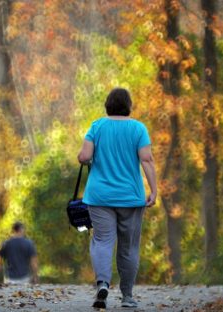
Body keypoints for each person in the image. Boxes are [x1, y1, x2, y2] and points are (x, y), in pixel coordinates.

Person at [77, 88, 157, 309]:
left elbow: (84, 156)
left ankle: (102, 283)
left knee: (102, 240)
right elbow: (147, 160)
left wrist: (82, 157)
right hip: (131, 197)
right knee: (129, 247)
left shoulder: (97, 126)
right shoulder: (138, 129)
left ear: (107, 105)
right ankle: (127, 296)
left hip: (100, 196)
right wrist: (154, 189)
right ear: (129, 106)